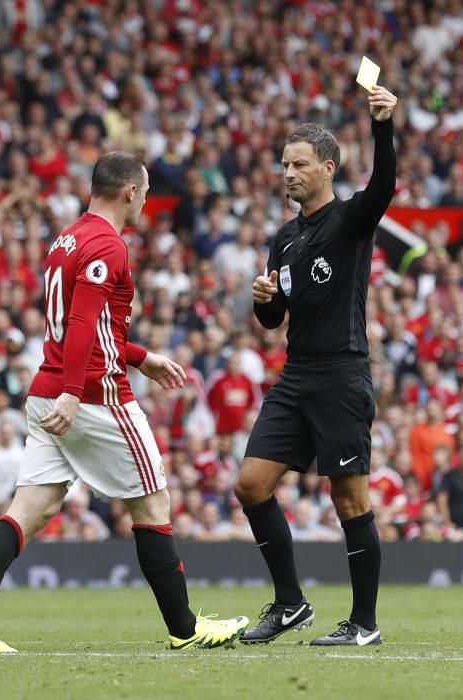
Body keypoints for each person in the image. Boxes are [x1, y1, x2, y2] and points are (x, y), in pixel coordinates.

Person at [0, 152, 248, 653]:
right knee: (153, 501)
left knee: (32, 508)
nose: (146, 201)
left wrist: (140, 356)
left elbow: (80, 326)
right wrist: (73, 389)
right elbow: (82, 322)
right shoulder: (109, 243)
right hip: (91, 396)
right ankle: (185, 629)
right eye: (145, 192)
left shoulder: (66, 239)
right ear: (130, 192)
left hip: (47, 393)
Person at [234, 86, 398, 647]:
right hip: (296, 373)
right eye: (284, 164)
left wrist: (382, 127)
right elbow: (274, 317)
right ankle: (290, 604)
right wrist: (262, 298)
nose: (288, 173)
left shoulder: (352, 219)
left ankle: (365, 625)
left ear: (327, 168)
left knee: (350, 499)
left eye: (299, 164)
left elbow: (384, 187)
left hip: (342, 374)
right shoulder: (285, 237)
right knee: (251, 485)